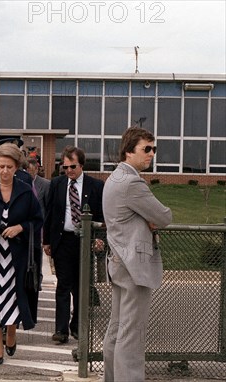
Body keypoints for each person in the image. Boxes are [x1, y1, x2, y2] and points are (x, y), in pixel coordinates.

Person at [102, 127, 172, 382]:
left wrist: (146, 218)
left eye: (154, 149)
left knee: (118, 329)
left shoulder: (114, 178)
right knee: (131, 334)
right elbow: (164, 216)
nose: (152, 154)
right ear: (129, 151)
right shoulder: (131, 182)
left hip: (120, 261)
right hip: (133, 264)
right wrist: (149, 219)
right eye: (147, 149)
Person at [0, 144, 43, 365]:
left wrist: (21, 227)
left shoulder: (26, 192)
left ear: (17, 168)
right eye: (1, 166)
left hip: (18, 257)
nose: (4, 171)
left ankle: (12, 331)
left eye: (9, 167)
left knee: (14, 298)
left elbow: (38, 219)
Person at [43, 146, 104, 344]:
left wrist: (99, 238)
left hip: (85, 242)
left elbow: (102, 215)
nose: (69, 170)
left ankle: (77, 325)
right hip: (63, 241)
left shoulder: (95, 186)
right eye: (65, 167)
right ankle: (61, 330)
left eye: (73, 166)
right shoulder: (57, 184)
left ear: (82, 165)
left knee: (80, 287)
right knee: (63, 286)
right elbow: (49, 212)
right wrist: (47, 241)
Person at [25, 156, 54, 274]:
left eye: (32, 171)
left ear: (36, 170)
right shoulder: (20, 183)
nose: (29, 174)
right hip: (24, 226)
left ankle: (37, 278)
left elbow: (48, 208)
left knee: (36, 255)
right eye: (27, 171)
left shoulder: (45, 184)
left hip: (39, 227)